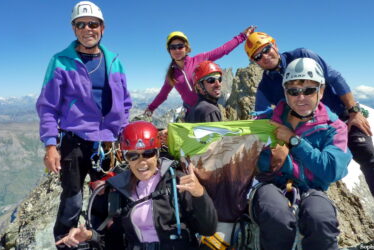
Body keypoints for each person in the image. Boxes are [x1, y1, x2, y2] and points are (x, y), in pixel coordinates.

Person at [245, 31, 374, 239]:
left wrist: (354, 111)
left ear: (275, 45)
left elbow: (335, 78)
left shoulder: (303, 55)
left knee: (367, 154)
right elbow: (260, 115)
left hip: (340, 118)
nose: (265, 57)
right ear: (255, 63)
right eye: (257, 56)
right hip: (308, 130)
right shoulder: (265, 85)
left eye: (266, 49)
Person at [35, 1, 132, 246]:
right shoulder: (60, 61)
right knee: (72, 200)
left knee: (105, 197)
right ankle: (65, 242)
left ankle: (99, 241)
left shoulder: (114, 61)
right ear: (74, 29)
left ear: (102, 27)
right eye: (81, 24)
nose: (87, 28)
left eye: (93, 24)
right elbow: (48, 106)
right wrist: (50, 145)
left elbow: (125, 102)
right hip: (74, 142)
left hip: (107, 144)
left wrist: (122, 134)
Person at [55, 121, 217, 249]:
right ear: (126, 158)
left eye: (148, 153)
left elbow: (208, 228)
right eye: (133, 156)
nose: (142, 162)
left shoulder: (177, 182)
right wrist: (90, 236)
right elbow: (115, 243)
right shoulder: (119, 190)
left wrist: (200, 194)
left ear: (157, 153)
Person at [250, 58, 351, 249]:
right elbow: (246, 157)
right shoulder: (266, 122)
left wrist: (294, 142)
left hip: (312, 188)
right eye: (293, 91)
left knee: (321, 220)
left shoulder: (334, 127)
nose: (301, 97)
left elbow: (331, 169)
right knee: (275, 216)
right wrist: (269, 159)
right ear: (285, 93)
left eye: (309, 90)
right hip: (272, 184)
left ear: (321, 91)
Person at [145, 26, 256, 119]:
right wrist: (150, 109)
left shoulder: (199, 59)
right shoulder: (172, 75)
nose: (177, 50)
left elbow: (223, 50)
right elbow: (163, 95)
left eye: (180, 46)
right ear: (169, 51)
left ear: (186, 48)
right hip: (191, 115)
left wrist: (242, 36)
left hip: (207, 111)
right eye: (173, 47)